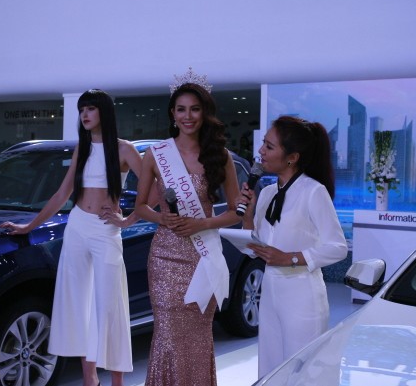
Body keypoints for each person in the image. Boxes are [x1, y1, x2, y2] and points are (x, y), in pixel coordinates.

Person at [0, 89, 142, 386]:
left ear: (104, 112)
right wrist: (29, 226)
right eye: (81, 110)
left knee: (110, 305)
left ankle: (117, 380)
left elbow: (154, 187)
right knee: (78, 303)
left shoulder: (125, 149)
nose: (84, 115)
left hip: (105, 230)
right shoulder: (83, 148)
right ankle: (90, 379)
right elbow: (62, 193)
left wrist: (129, 220)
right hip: (77, 226)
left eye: (90, 109)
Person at [134, 69, 241, 386]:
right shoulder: (156, 154)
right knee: (167, 335)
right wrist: (162, 218)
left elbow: (236, 212)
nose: (188, 116)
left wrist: (203, 222)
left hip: (202, 258)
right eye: (181, 109)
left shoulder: (220, 156)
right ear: (172, 113)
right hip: (165, 258)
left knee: (197, 336)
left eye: (195, 109)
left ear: (204, 112)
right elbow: (141, 207)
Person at [237, 115, 348, 379]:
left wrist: (292, 258)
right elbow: (254, 247)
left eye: (269, 146)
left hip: (302, 296)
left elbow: (338, 247)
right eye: (263, 144)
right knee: (272, 370)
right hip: (270, 293)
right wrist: (247, 216)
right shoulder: (267, 193)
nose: (261, 151)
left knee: (303, 374)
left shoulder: (313, 191)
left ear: (292, 157)